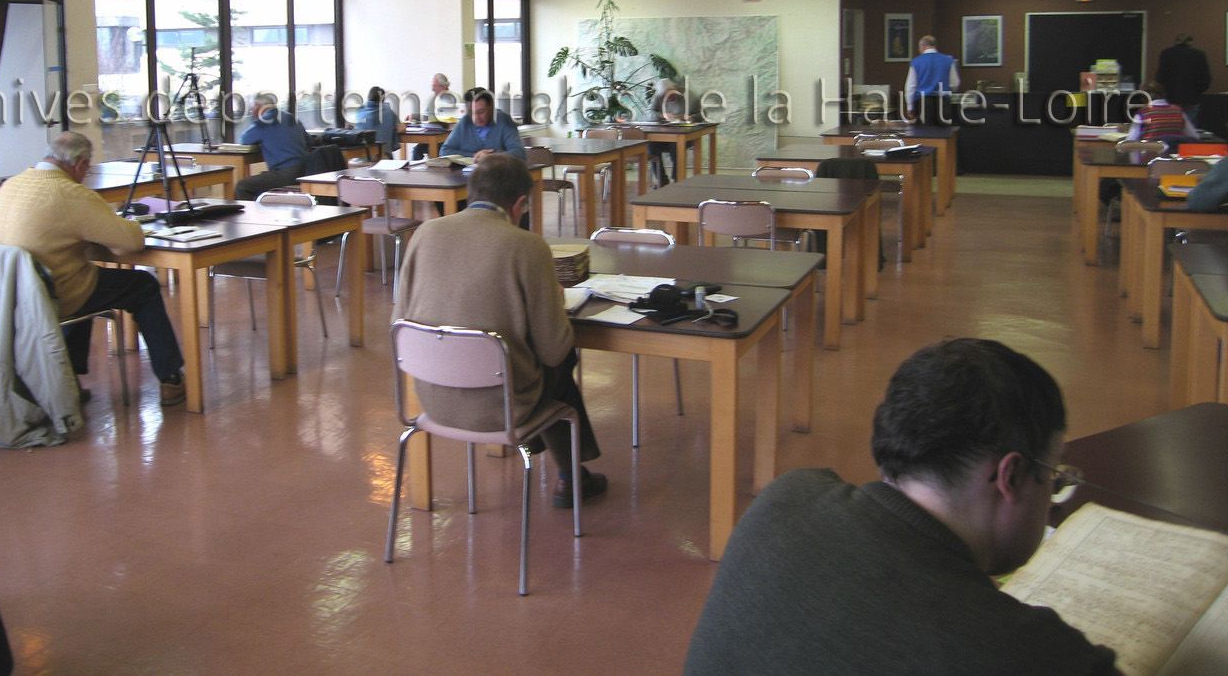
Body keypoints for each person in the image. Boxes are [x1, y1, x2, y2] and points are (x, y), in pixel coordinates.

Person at [684, 338, 1118, 676]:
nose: (1054, 490)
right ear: (1010, 477)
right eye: (1054, 473)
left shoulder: (787, 497)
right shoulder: (1025, 652)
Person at [395, 153, 606, 508]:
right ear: (520, 204)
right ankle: (570, 475)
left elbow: (399, 322)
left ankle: (569, 472)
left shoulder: (425, 233)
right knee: (560, 358)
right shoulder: (526, 246)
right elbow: (554, 349)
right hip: (502, 406)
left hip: (431, 399)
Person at [0, 131, 186, 407]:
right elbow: (130, 242)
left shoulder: (11, 184)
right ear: (80, 164)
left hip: (9, 293)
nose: (86, 174)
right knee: (143, 286)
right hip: (53, 293)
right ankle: (171, 378)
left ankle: (67, 380)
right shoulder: (70, 193)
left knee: (86, 278)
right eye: (87, 169)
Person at [235, 92, 311, 199]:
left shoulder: (263, 122)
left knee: (243, 186)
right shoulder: (291, 118)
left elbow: (244, 140)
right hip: (306, 170)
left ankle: (251, 215)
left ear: (257, 107)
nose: (252, 111)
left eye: (253, 108)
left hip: (286, 173)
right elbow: (309, 142)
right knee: (261, 180)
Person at [441, 88, 524, 162]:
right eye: (472, 113)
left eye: (481, 112)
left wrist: (492, 157)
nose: (476, 117)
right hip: (467, 175)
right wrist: (475, 156)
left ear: (491, 108)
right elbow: (445, 151)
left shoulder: (503, 121)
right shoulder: (465, 122)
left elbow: (519, 153)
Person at [645, 78, 701, 181]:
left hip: (685, 136)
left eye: (671, 94)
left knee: (676, 145)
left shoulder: (690, 96)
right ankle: (661, 180)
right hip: (663, 135)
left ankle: (677, 180)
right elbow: (649, 113)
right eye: (665, 96)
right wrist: (662, 115)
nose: (669, 98)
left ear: (675, 89)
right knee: (650, 145)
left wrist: (691, 117)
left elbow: (702, 114)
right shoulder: (658, 96)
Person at [1154, 33, 1211, 124]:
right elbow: (1206, 78)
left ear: (1176, 41)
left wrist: (1164, 92)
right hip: (1192, 97)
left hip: (1171, 96)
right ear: (1190, 42)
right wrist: (1198, 91)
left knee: (1171, 126)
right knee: (1189, 128)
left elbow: (1160, 77)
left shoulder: (1166, 53)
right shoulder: (1199, 55)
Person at [904, 34, 960, 124]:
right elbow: (955, 83)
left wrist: (910, 106)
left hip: (923, 103)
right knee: (944, 133)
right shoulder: (948, 60)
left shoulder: (916, 62)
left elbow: (911, 86)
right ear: (934, 45)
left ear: (923, 46)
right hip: (943, 102)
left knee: (926, 134)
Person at [1125, 80, 1198, 145]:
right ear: (1163, 94)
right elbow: (1194, 137)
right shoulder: (1178, 111)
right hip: (1175, 157)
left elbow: (1130, 141)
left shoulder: (1142, 114)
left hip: (1150, 157)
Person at [353, 85, 398, 152]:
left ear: (369, 97)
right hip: (384, 155)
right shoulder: (389, 111)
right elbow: (401, 128)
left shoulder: (359, 111)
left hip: (362, 156)